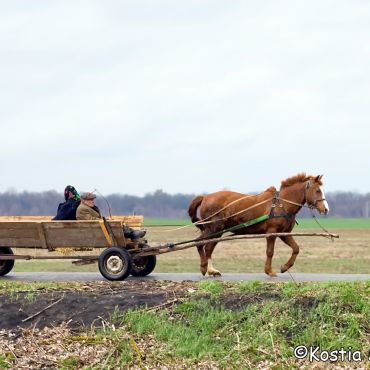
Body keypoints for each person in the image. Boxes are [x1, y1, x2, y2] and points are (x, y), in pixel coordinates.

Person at [76, 192, 146, 239]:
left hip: (96, 228)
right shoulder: (82, 209)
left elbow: (93, 219)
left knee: (116, 223)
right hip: (92, 231)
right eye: (90, 200)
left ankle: (132, 232)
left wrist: (104, 220)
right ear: (83, 201)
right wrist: (104, 220)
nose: (92, 201)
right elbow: (91, 220)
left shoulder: (87, 207)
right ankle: (132, 234)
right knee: (114, 224)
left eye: (92, 199)